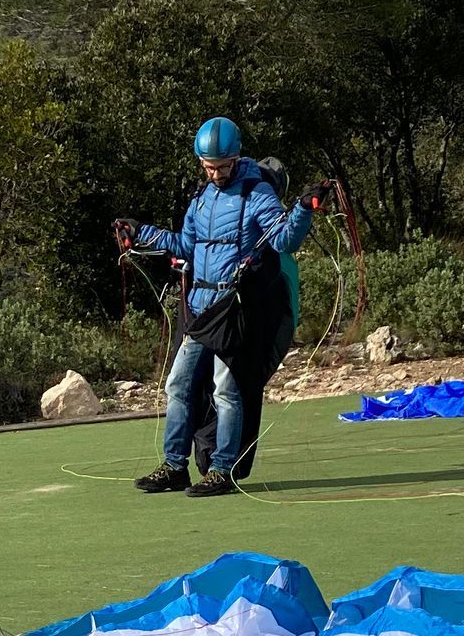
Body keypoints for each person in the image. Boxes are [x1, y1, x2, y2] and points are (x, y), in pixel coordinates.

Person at [115, 118, 315, 496]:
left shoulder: (257, 194)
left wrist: (304, 208)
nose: (216, 174)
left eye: (222, 167)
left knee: (226, 390)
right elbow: (186, 245)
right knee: (178, 385)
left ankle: (223, 469)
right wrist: (141, 231)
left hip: (233, 308)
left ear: (236, 158)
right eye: (209, 167)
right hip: (200, 308)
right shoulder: (201, 199)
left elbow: (285, 239)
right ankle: (175, 466)